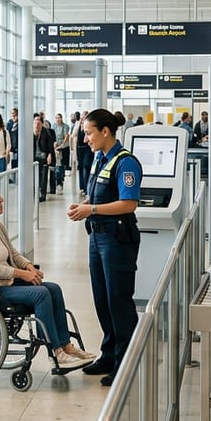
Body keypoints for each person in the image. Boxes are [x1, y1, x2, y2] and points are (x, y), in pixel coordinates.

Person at [0, 180, 95, 369]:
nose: (2, 199)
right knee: (40, 294)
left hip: (6, 283)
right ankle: (54, 351)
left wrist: (29, 266)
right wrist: (21, 274)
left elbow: (12, 253)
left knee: (53, 289)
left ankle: (66, 345)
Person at [65, 109, 143, 387]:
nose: (85, 138)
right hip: (97, 237)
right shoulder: (100, 159)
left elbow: (128, 203)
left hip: (117, 239)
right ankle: (109, 354)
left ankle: (127, 360)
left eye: (89, 133)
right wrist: (85, 207)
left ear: (106, 132)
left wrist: (92, 208)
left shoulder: (126, 163)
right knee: (102, 300)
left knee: (118, 300)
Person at [32, 114, 55, 203]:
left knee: (43, 177)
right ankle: (34, 194)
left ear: (41, 123)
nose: (37, 122)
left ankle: (43, 195)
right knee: (33, 177)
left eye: (39, 120)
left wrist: (50, 155)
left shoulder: (46, 132)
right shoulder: (30, 132)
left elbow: (50, 145)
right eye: (35, 120)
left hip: (43, 157)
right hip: (33, 158)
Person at [75, 110, 93, 192]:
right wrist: (79, 124)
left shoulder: (89, 125)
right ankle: (81, 186)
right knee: (81, 167)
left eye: (86, 115)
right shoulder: (78, 125)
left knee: (86, 166)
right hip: (79, 148)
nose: (84, 116)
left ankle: (86, 187)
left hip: (87, 148)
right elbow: (74, 135)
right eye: (83, 115)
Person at [52, 112, 70, 193]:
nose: (57, 119)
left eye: (58, 118)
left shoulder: (65, 126)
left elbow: (66, 136)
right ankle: (58, 182)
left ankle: (61, 180)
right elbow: (53, 135)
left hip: (64, 147)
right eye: (56, 118)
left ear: (61, 118)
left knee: (62, 164)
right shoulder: (54, 125)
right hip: (56, 147)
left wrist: (62, 145)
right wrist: (55, 144)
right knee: (58, 165)